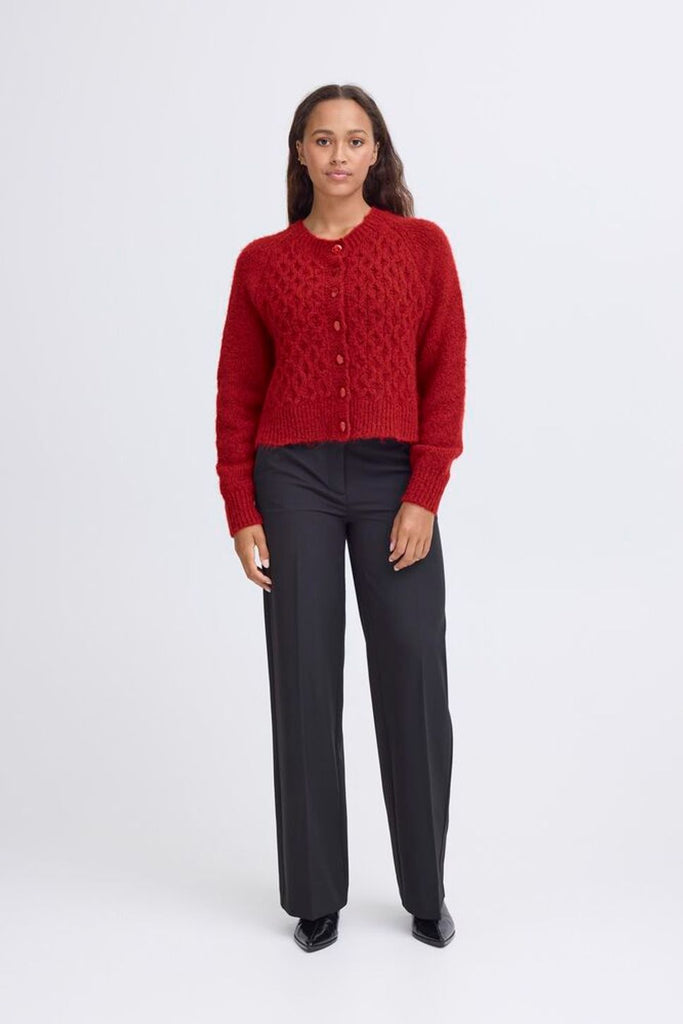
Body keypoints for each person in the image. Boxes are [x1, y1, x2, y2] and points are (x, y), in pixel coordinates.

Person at [215, 84, 467, 952]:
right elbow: (237, 391)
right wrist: (240, 506)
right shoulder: (261, 262)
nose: (338, 155)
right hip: (293, 481)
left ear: (375, 153)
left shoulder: (422, 247)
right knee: (304, 676)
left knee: (413, 671)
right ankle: (315, 894)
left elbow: (445, 372)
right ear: (299, 152)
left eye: (354, 140)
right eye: (322, 140)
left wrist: (424, 490)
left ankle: (425, 890)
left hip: (394, 477)